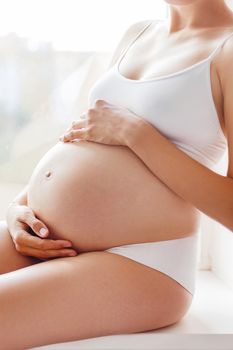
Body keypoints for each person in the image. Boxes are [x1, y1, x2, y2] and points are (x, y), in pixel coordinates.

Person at [1, 0, 233, 348]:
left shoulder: (227, 50)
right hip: (45, 235)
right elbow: (86, 132)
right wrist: (18, 208)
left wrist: (136, 134)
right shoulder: (137, 33)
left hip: (140, 262)